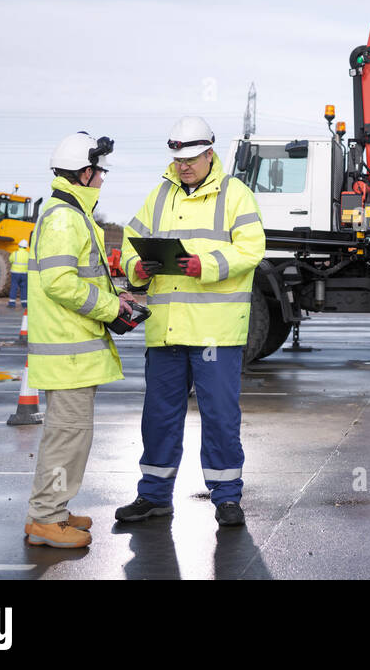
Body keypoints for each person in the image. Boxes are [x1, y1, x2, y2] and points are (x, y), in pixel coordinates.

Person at [116, 116, 265, 528]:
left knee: (219, 416)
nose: (184, 166)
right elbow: (130, 243)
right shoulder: (159, 195)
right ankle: (153, 496)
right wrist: (137, 268)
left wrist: (209, 264)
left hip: (215, 330)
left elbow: (252, 249)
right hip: (166, 329)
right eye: (178, 158)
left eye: (191, 158)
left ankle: (228, 498)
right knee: (159, 416)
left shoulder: (236, 195)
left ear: (209, 154)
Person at [24, 132, 145, 549]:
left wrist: (117, 298)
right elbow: (60, 284)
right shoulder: (64, 218)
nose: (102, 180)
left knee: (68, 434)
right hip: (67, 353)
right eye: (100, 173)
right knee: (67, 436)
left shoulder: (70, 214)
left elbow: (80, 280)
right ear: (85, 172)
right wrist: (111, 310)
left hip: (72, 352)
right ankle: (46, 518)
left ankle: (51, 510)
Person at [8, 238, 29, 308]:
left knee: (14, 287)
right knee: (24, 288)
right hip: (24, 274)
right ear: (26, 247)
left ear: (19, 246)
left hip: (15, 273)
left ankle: (12, 303)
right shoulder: (28, 254)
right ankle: (24, 304)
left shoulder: (15, 253)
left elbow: (10, 260)